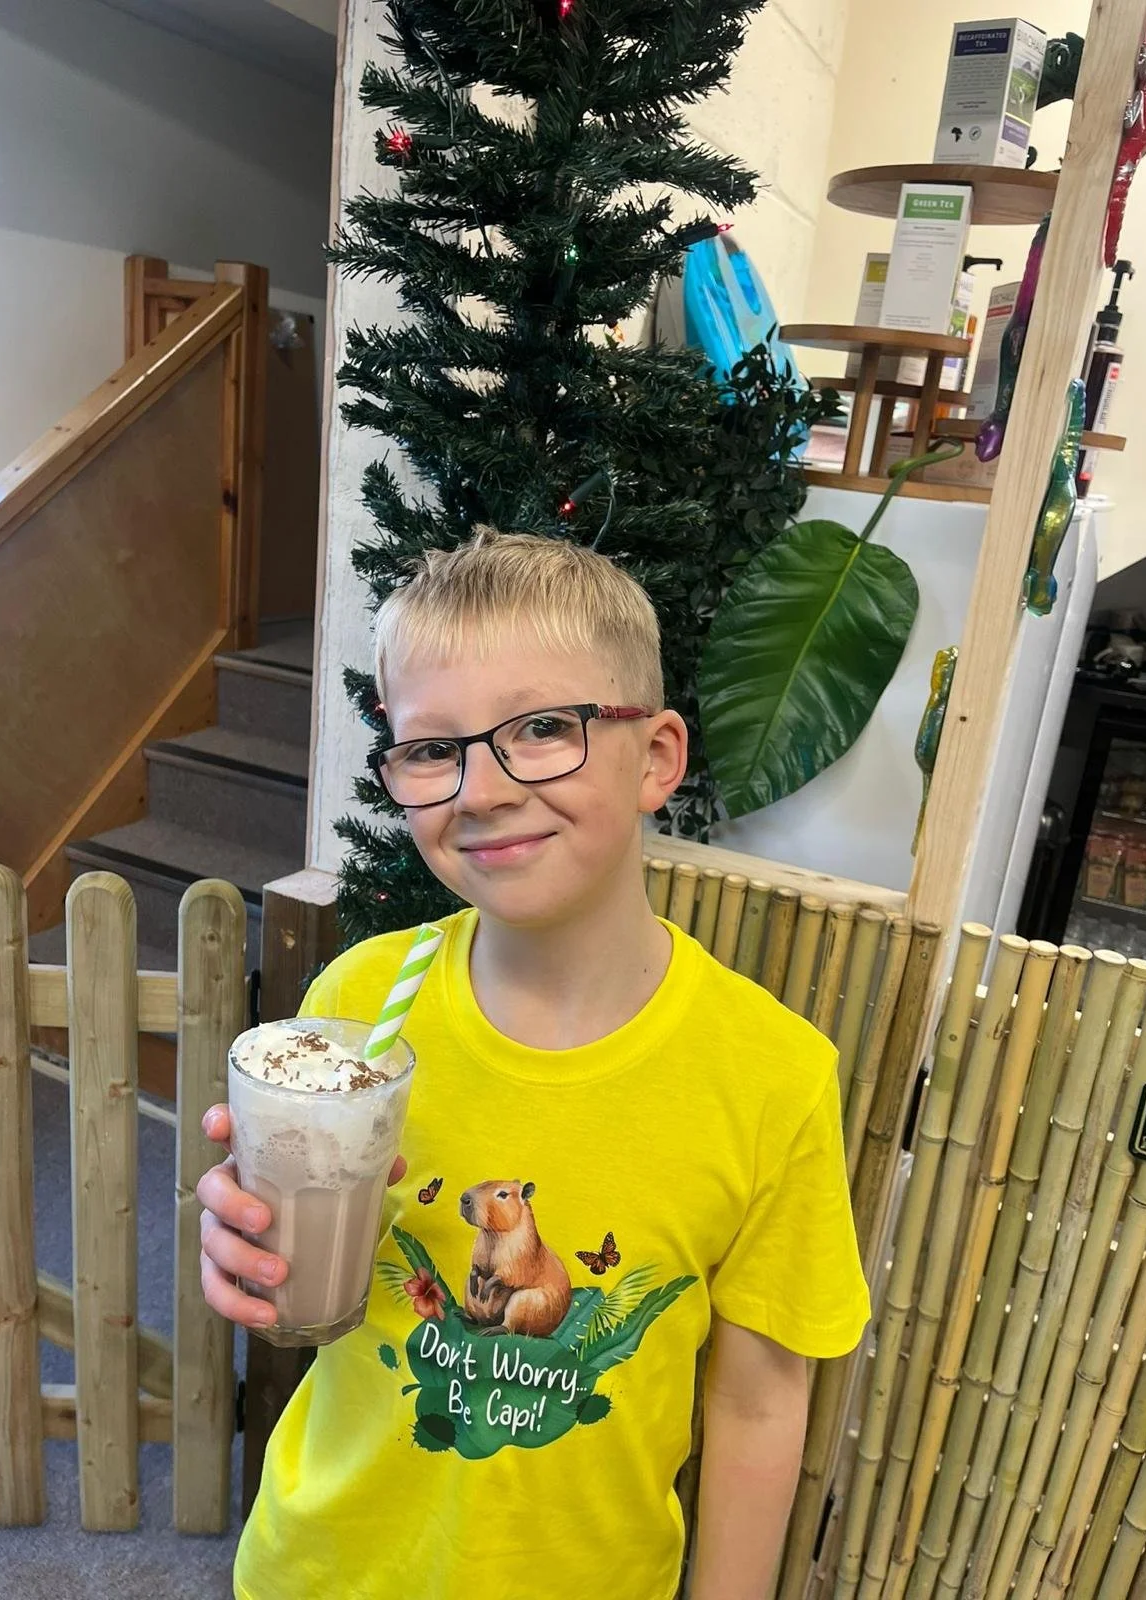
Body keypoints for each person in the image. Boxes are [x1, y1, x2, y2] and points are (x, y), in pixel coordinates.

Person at [198, 530, 871, 1600]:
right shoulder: (359, 1005)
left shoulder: (772, 1075)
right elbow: (308, 1302)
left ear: (655, 756)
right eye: (431, 749)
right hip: (325, 1570)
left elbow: (756, 1404)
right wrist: (251, 1260)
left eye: (544, 728)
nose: (481, 789)